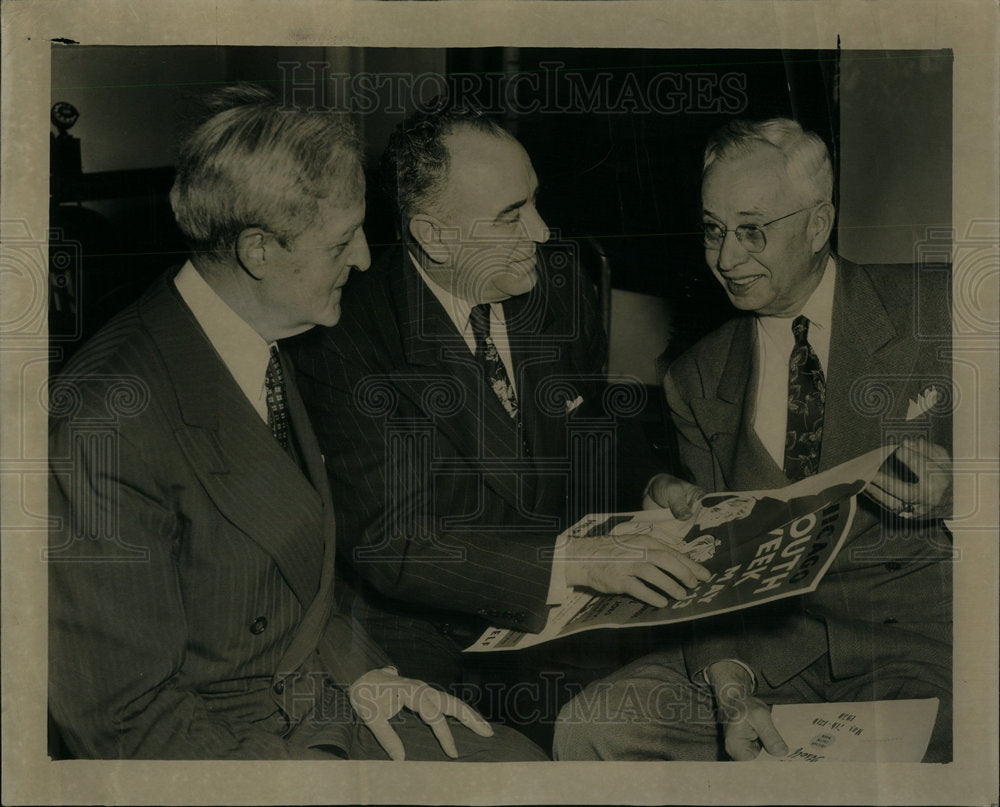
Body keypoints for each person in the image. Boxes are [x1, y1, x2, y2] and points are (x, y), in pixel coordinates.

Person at [47, 84, 548, 762]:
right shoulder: (104, 418)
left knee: (522, 764)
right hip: (232, 748)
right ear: (258, 252)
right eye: (343, 241)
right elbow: (124, 718)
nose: (367, 260)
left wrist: (370, 674)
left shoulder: (261, 339)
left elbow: (299, 580)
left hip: (321, 689)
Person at [289, 102, 709, 727]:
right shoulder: (343, 339)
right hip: (425, 631)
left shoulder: (555, 283)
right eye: (512, 216)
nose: (541, 232)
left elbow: (590, 421)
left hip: (564, 613)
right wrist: (581, 563)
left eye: (534, 201)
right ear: (433, 235)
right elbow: (397, 542)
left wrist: (647, 482)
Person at [553, 118, 953, 762]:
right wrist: (731, 687)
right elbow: (714, 565)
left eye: (751, 230)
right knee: (594, 725)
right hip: (765, 652)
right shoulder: (695, 377)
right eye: (714, 230)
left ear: (818, 224)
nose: (727, 259)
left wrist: (961, 487)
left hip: (921, 646)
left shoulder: (938, 308)